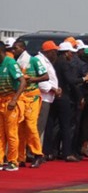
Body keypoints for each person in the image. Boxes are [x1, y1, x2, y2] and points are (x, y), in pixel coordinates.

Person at [14, 39, 49, 168]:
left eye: (16, 48)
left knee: (31, 125)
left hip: (32, 97)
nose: (14, 51)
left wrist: (32, 79)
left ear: (22, 48)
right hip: (21, 97)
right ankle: (20, 157)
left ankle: (38, 154)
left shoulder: (33, 60)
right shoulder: (16, 62)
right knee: (20, 127)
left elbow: (46, 76)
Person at [0, 42, 28, 171]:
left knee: (11, 132)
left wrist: (14, 100)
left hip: (10, 101)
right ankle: (0, 160)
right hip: (1, 100)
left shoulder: (10, 63)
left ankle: (13, 161)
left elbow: (22, 81)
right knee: (1, 133)